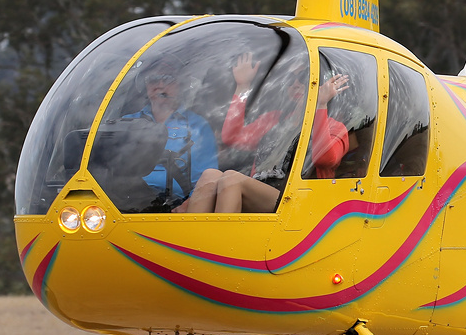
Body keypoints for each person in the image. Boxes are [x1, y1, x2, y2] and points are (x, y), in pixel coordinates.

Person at [186, 53, 349, 214]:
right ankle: (190, 239)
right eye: (291, 79)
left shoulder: (335, 127)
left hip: (302, 205)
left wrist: (320, 104)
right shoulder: (273, 119)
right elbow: (231, 138)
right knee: (209, 176)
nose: (296, 84)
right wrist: (242, 87)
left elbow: (324, 158)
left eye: (304, 78)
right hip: (261, 193)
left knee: (231, 179)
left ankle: (221, 239)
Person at [125, 55, 219, 209]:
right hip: (126, 205)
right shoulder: (126, 124)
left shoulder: (198, 127)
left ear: (180, 85)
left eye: (168, 79)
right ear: (145, 85)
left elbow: (207, 182)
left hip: (174, 208)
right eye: (153, 79)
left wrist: (186, 207)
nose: (160, 85)